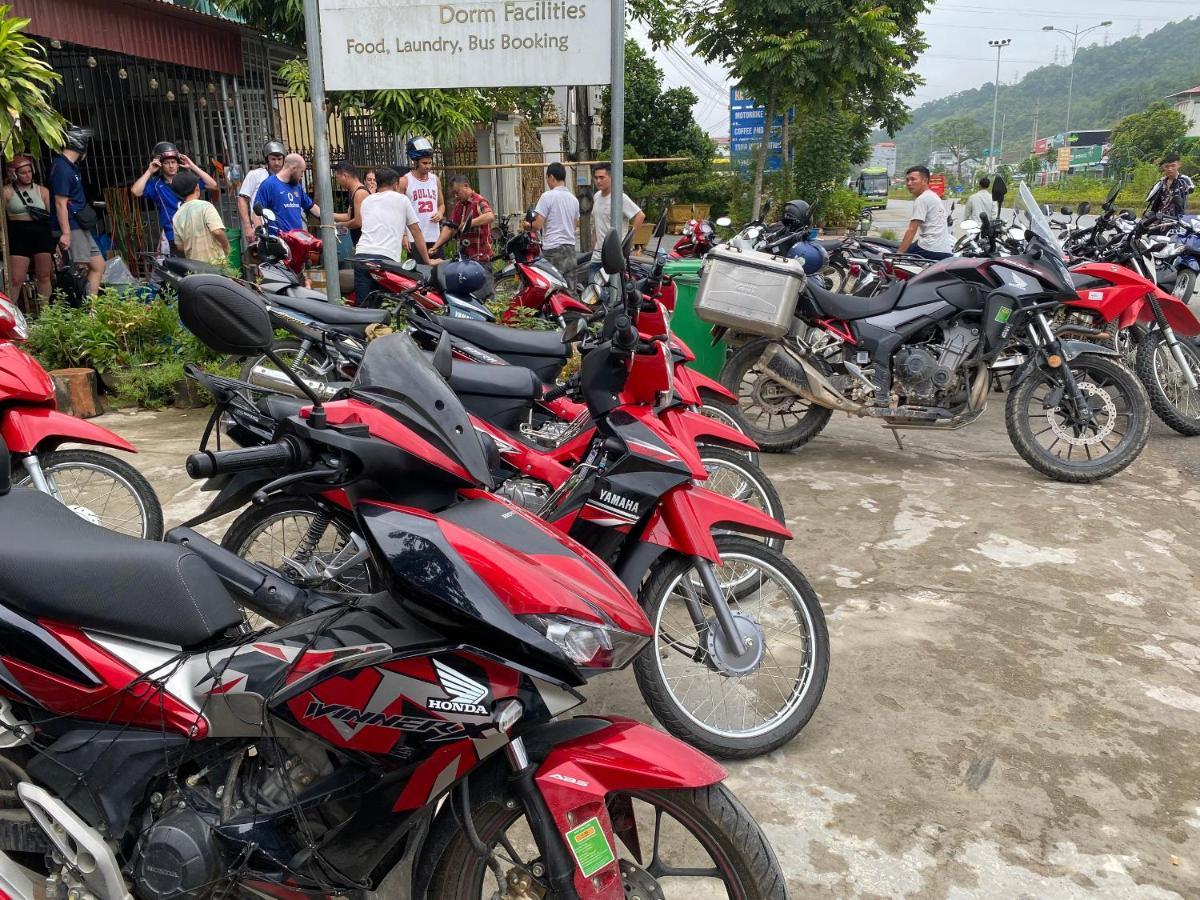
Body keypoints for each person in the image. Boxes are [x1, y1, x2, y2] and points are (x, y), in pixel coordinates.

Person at [352, 167, 438, 306]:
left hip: (361, 256)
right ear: (396, 185)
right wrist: (427, 261)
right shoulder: (402, 200)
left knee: (363, 307)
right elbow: (416, 231)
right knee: (390, 305)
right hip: (385, 260)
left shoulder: (367, 201)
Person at [131, 141, 217, 255]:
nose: (171, 166)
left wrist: (192, 166)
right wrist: (149, 171)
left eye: (173, 162)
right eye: (166, 163)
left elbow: (213, 185)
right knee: (182, 270)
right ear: (161, 165)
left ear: (178, 164)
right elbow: (135, 191)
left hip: (197, 233)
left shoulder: (187, 179)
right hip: (174, 236)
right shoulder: (156, 185)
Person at [49, 124, 105, 297]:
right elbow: (60, 203)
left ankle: (91, 310)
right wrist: (65, 233)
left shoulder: (70, 166)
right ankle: (77, 311)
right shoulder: (62, 168)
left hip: (80, 225)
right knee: (78, 269)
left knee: (98, 265)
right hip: (72, 226)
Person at [432, 174, 496, 293]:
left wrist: (470, 222)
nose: (456, 196)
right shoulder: (459, 206)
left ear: (466, 186)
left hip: (481, 258)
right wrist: (436, 246)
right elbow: (450, 228)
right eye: (454, 193)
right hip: (464, 260)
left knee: (485, 296)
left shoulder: (479, 201)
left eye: (458, 192)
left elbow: (489, 216)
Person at [4, 155, 55, 303]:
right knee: (16, 278)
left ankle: (46, 313)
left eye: (29, 171)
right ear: (14, 174)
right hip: (18, 233)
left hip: (41, 232)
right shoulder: (6, 192)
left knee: (44, 275)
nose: (27, 175)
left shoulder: (43, 191)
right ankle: (11, 313)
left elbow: (50, 216)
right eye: (23, 172)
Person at [528, 161, 580, 289]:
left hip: (553, 250)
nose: (547, 181)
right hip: (570, 249)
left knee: (553, 289)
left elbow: (538, 225)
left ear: (551, 177)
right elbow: (574, 226)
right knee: (570, 289)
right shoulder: (574, 199)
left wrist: (527, 225)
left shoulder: (547, 196)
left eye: (547, 178)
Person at [590, 162, 644, 271]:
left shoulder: (620, 197)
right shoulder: (596, 196)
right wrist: (593, 245)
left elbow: (640, 215)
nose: (598, 181)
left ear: (611, 177)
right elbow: (596, 224)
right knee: (592, 287)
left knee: (612, 288)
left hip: (614, 258)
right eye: (595, 178)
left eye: (601, 177)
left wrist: (628, 242)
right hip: (597, 257)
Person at [170, 170, 230, 267]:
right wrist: (226, 245)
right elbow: (217, 232)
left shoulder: (177, 215)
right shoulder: (205, 206)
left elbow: (180, 247)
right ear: (197, 187)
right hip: (215, 264)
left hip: (194, 267)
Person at [399, 137, 444, 257]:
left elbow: (441, 204)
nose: (428, 166)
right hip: (414, 238)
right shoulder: (405, 181)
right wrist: (403, 236)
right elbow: (399, 211)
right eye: (424, 163)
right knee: (418, 273)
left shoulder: (435, 180)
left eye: (430, 163)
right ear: (415, 162)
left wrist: (440, 213)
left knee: (438, 272)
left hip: (435, 236)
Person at [255, 153, 320, 234]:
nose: (302, 175)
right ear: (294, 168)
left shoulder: (297, 187)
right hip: (278, 240)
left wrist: (327, 219)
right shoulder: (269, 184)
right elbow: (256, 212)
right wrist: (260, 234)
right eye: (301, 171)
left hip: (297, 239)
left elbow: (311, 206)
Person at [238, 140, 287, 249]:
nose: (277, 163)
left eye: (279, 159)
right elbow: (242, 199)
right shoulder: (255, 175)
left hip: (284, 229)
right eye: (273, 159)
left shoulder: (287, 178)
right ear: (267, 160)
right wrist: (247, 226)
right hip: (261, 228)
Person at [898, 165, 952, 260]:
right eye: (907, 180)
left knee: (894, 262)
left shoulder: (922, 199)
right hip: (944, 249)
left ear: (924, 180)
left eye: (913, 179)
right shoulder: (933, 196)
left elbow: (912, 229)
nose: (909, 183)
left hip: (929, 248)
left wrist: (898, 254)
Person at [332, 161, 370, 245]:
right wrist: (330, 215)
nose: (337, 181)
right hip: (359, 242)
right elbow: (349, 216)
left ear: (345, 176)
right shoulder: (353, 192)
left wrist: (340, 225)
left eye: (337, 177)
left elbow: (358, 221)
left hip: (366, 243)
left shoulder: (360, 193)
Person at [1149, 153, 1195, 217]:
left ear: (1179, 165)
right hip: (1160, 216)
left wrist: (1178, 188)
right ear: (1163, 167)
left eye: (1173, 166)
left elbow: (1191, 188)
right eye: (1167, 166)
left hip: (1177, 216)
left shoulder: (1184, 179)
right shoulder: (1161, 182)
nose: (1170, 169)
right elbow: (1152, 197)